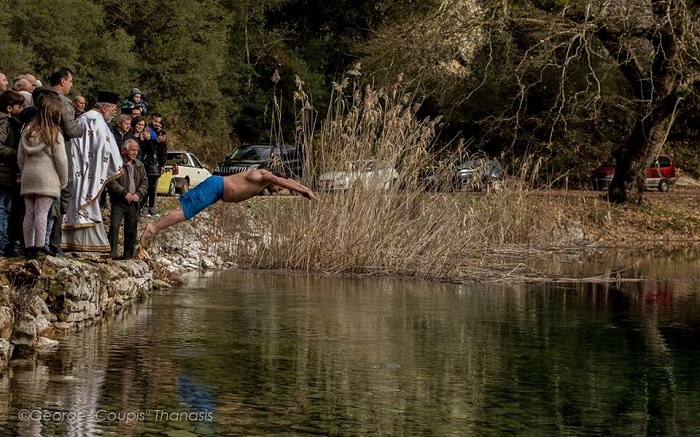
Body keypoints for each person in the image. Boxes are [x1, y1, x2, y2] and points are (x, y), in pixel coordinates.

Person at [140, 170, 316, 250]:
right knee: (186, 213)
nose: (280, 190)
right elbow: (283, 181)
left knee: (186, 213)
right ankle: (152, 229)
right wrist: (300, 190)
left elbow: (288, 181)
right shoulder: (263, 175)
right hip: (216, 186)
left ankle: (153, 228)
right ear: (275, 180)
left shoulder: (267, 181)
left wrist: (304, 190)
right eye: (279, 187)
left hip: (218, 191)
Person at [61, 91, 123, 252]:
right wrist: (117, 164)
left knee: (76, 203)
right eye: (113, 109)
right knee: (83, 204)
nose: (114, 113)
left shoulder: (87, 117)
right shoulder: (95, 120)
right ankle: (83, 244)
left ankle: (73, 242)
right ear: (105, 108)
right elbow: (103, 147)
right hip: (85, 169)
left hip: (80, 167)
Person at [17, 98, 69, 259]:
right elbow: (61, 161)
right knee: (42, 213)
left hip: (28, 176)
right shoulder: (54, 134)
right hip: (47, 178)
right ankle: (40, 246)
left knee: (29, 213)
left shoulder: (27, 131)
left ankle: (29, 247)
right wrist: (63, 180)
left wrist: (25, 171)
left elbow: (20, 156)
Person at [48, 67, 85, 255]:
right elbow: (71, 130)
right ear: (63, 81)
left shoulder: (40, 98)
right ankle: (54, 243)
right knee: (61, 197)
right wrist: (83, 127)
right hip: (61, 153)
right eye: (70, 81)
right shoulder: (63, 101)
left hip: (41, 155)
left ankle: (41, 243)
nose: (71, 85)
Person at [106, 139, 147, 259]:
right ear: (125, 150)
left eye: (137, 150)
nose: (135, 153)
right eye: (133, 150)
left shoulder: (139, 164)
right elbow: (111, 181)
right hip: (119, 201)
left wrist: (138, 194)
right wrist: (125, 193)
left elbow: (145, 182)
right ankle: (110, 253)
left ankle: (128, 255)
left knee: (131, 228)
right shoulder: (117, 163)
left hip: (134, 202)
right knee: (114, 227)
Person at [0, 90, 25, 256]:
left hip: (7, 174)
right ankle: (2, 246)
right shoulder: (4, 122)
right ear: (10, 108)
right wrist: (18, 153)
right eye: (19, 106)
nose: (21, 109)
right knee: (3, 210)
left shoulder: (11, 122)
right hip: (3, 174)